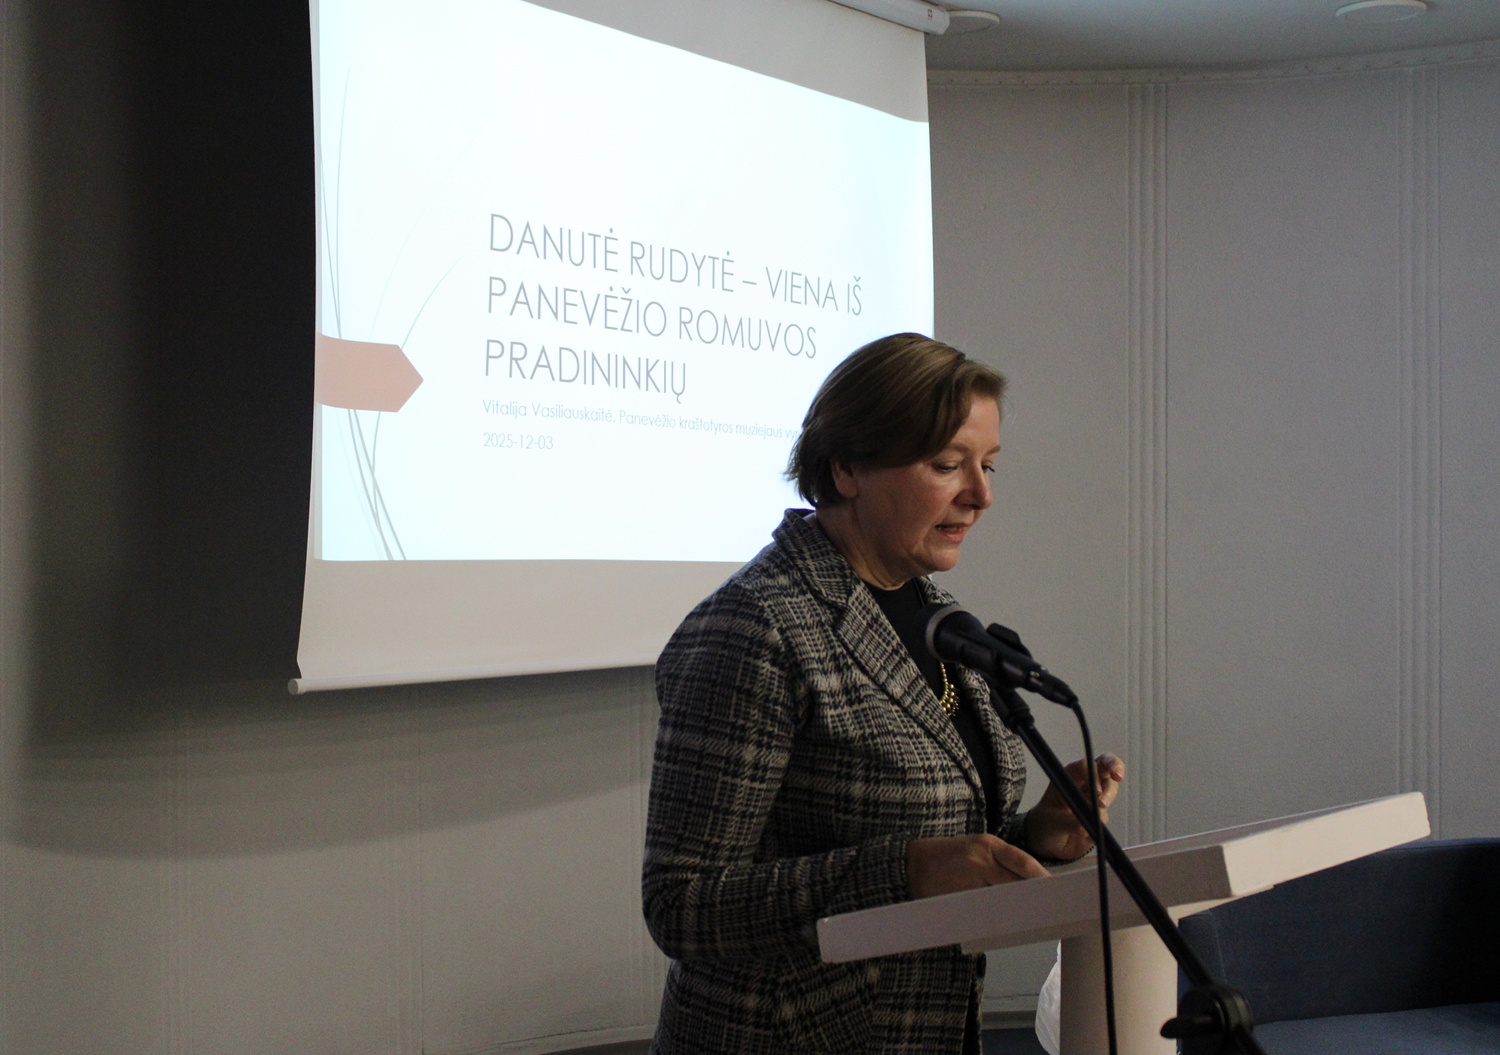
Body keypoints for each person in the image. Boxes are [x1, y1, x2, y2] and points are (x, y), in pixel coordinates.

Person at [642, 333, 1124, 1054]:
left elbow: (939, 838)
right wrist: (902, 871)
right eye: (947, 465)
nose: (982, 495)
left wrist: (1034, 836)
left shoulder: (933, 614)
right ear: (847, 468)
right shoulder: (757, 626)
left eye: (988, 465)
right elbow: (680, 904)